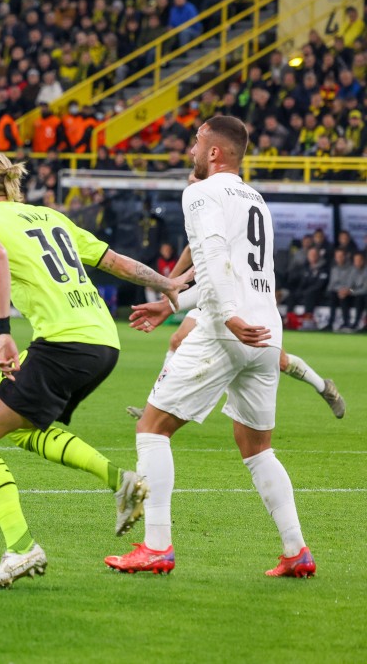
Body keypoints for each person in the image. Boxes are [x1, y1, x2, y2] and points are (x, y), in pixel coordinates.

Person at [0, 151, 189, 589]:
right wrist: (166, 282)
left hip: (64, 343)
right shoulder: (48, 216)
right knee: (20, 429)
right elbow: (113, 260)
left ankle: (21, 549)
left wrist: (3, 331)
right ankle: (121, 481)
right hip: (103, 343)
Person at [107, 116, 317, 578]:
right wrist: (173, 304)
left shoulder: (201, 192)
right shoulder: (254, 198)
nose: (191, 150)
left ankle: (157, 546)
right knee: (257, 446)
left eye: (197, 142)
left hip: (231, 327)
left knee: (152, 428)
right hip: (266, 329)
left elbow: (215, 260)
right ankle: (296, 550)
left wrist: (224, 317)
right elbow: (241, 274)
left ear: (215, 153)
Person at [126, 241, 346, 420]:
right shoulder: (202, 208)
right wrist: (170, 282)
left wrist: (171, 296)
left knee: (279, 360)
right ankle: (155, 405)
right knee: (177, 340)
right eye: (190, 182)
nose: (192, 184)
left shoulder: (225, 215)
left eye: (195, 182)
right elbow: (192, 247)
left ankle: (324, 387)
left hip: (242, 297)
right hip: (212, 295)